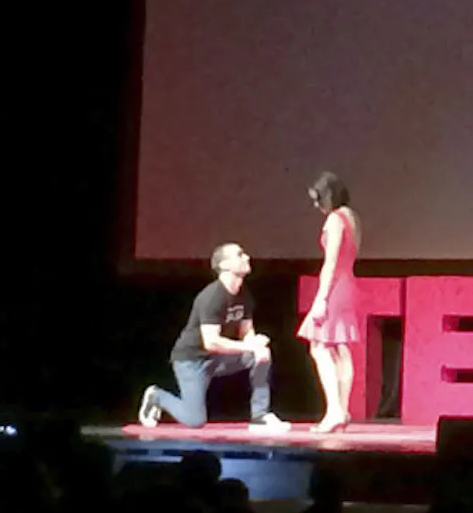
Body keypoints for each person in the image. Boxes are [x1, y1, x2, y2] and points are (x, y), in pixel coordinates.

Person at [138, 243, 291, 433]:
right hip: (191, 360)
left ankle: (260, 416)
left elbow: (246, 332)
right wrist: (249, 347)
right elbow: (211, 342)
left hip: (217, 359)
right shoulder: (212, 297)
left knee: (261, 355)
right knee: (195, 420)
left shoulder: (244, 294)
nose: (247, 257)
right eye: (240, 254)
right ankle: (157, 397)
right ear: (225, 265)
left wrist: (255, 345)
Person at [296, 171, 361, 433]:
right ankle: (342, 410)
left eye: (318, 199)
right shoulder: (353, 217)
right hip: (349, 284)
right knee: (341, 348)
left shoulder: (335, 219)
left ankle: (334, 410)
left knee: (319, 346)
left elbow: (331, 261)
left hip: (335, 287)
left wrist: (321, 298)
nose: (316, 206)